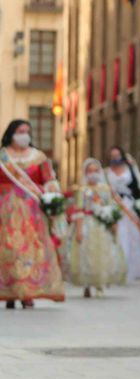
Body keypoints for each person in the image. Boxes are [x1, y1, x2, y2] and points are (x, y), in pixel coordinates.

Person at [0, 119, 65, 308]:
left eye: (27, 131)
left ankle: (27, 292)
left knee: (30, 250)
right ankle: (10, 292)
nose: (24, 135)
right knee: (9, 251)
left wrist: (52, 195)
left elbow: (49, 180)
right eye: (20, 131)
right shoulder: (2, 157)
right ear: (11, 134)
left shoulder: (39, 157)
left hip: (32, 212)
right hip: (5, 212)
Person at [65, 158, 127, 297]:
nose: (93, 174)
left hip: (102, 225)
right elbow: (79, 210)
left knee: (102, 254)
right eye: (89, 171)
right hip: (87, 224)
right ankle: (87, 283)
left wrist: (113, 224)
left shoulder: (105, 189)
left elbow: (111, 208)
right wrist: (79, 230)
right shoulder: (82, 190)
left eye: (96, 171)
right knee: (86, 254)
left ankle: (100, 284)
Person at [104, 146, 140, 282]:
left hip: (130, 207)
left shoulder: (130, 170)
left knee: (134, 237)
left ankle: (134, 268)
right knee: (118, 236)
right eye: (112, 155)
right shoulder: (107, 173)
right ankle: (117, 268)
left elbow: (139, 189)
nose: (115, 158)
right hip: (115, 207)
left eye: (117, 155)